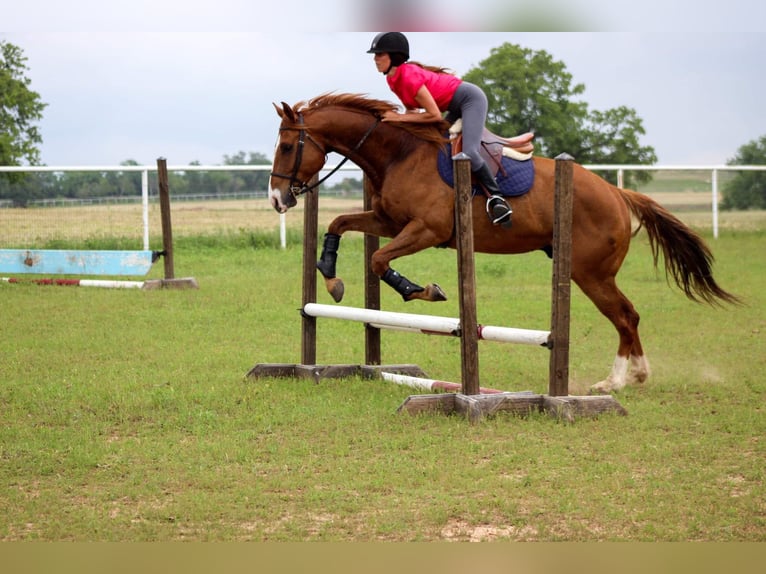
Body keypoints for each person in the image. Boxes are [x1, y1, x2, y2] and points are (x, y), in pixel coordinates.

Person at [367, 31, 512, 228]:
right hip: (452, 107)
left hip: (470, 100)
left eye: (379, 54)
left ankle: (497, 197)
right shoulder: (392, 80)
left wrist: (398, 117)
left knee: (469, 151)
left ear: (394, 57)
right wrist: (398, 122)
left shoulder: (408, 76)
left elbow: (433, 115)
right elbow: (413, 111)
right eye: (375, 55)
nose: (375, 59)